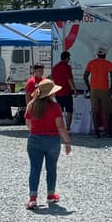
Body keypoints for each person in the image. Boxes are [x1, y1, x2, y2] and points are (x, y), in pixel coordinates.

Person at [24, 79, 72, 210]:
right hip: (52, 141)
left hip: (34, 139)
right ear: (50, 94)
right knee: (51, 169)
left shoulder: (31, 105)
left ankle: (33, 198)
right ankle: (50, 195)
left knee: (35, 169)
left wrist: (35, 132)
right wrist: (67, 141)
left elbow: (28, 122)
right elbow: (60, 126)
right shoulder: (55, 107)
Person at [84, 46, 112, 138]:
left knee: (94, 110)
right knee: (107, 111)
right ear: (105, 54)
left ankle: (96, 132)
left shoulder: (91, 63)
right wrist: (111, 89)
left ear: (97, 54)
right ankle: (108, 131)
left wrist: (89, 88)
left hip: (93, 89)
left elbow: (85, 76)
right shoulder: (108, 63)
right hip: (104, 89)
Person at [51, 50, 76, 128]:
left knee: (59, 111)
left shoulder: (55, 67)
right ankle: (68, 127)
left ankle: (59, 126)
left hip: (58, 92)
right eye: (69, 58)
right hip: (66, 92)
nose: (69, 60)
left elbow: (53, 79)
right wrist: (74, 89)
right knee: (69, 110)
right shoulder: (67, 67)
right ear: (67, 58)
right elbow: (70, 80)